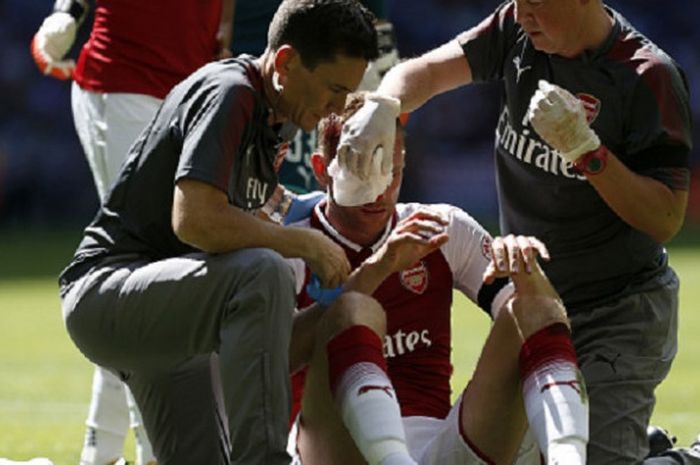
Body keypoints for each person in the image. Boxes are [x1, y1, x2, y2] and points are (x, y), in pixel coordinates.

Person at [333, 1, 698, 464]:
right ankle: (636, 442)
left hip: (618, 310)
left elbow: (665, 218)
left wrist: (586, 151)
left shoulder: (648, 75)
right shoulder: (516, 28)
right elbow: (426, 72)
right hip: (534, 304)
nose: (524, 13)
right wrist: (385, 103)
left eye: (537, 4)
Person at [56, 1, 379, 464]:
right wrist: (303, 241)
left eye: (346, 95)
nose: (335, 108)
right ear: (285, 61)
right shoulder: (231, 92)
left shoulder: (276, 116)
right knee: (266, 270)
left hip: (171, 322)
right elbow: (195, 219)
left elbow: (269, 339)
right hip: (106, 294)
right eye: (332, 89)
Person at [283, 92, 589, 465]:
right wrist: (380, 267)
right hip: (331, 451)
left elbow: (541, 319)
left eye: (391, 171)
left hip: (436, 448)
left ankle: (569, 459)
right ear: (320, 167)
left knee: (534, 307)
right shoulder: (294, 246)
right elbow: (270, 361)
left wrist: (528, 271)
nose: (379, 189)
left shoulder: (441, 228)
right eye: (360, 168)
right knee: (354, 309)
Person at [30, 1, 233, 463]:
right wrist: (69, 10)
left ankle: (102, 449)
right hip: (122, 81)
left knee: (141, 272)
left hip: (185, 90)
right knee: (147, 272)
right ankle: (146, 448)